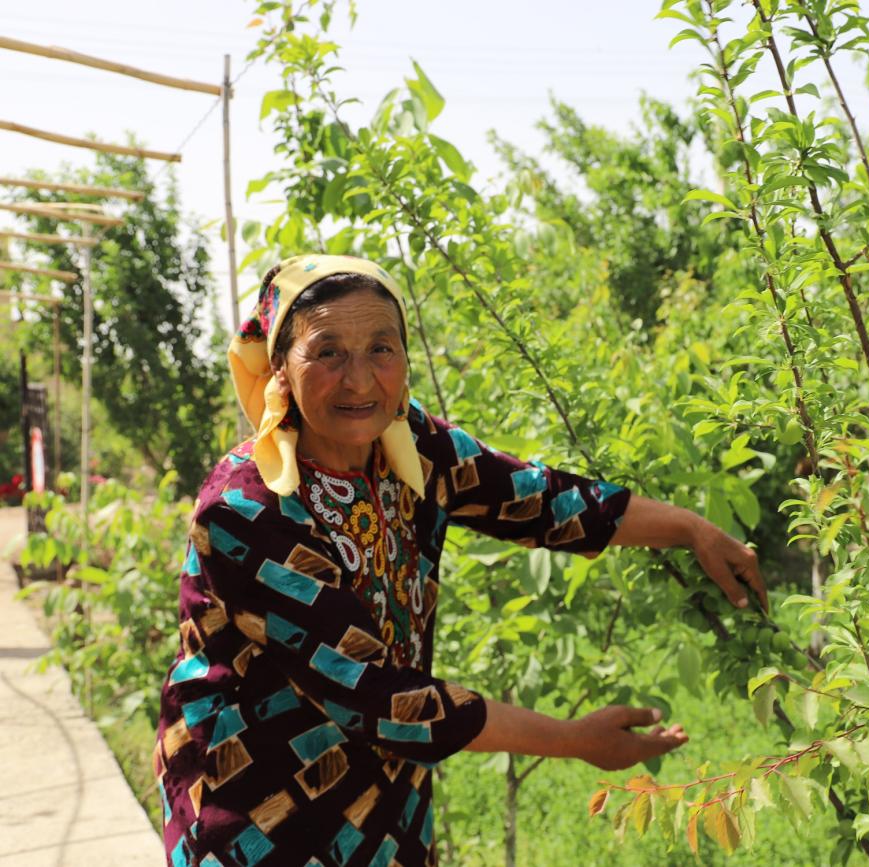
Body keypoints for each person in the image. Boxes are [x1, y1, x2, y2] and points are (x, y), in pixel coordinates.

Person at [154, 254, 766, 866]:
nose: (360, 381)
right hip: (256, 810)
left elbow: (537, 501)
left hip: (381, 800)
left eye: (381, 349)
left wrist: (691, 529)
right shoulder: (247, 510)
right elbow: (381, 699)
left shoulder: (408, 444)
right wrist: (575, 740)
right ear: (280, 368)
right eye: (328, 352)